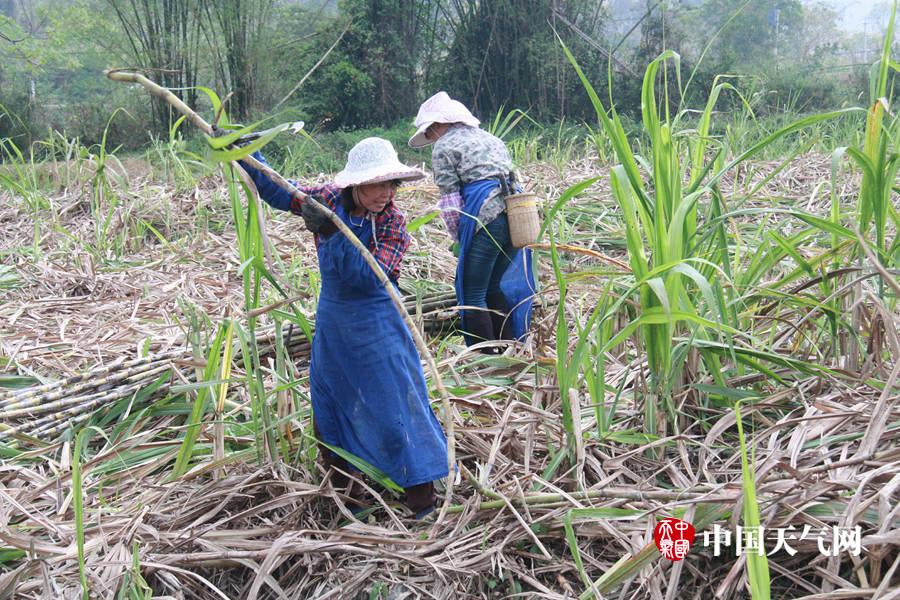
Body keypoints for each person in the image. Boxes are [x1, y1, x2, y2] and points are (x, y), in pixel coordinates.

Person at [236, 137, 448, 519]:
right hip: (335, 321)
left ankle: (421, 498)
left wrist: (332, 232)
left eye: (391, 184)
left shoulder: (393, 224)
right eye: (378, 184)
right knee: (331, 402)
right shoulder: (329, 199)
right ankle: (349, 493)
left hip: (379, 321)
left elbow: (367, 277)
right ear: (354, 184)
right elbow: (277, 189)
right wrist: (247, 153)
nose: (386, 193)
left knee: (395, 400)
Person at [409, 91, 536, 352]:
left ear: (438, 125)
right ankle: (511, 350)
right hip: (515, 216)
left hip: (486, 217)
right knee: (492, 287)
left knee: (473, 292)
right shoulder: (491, 139)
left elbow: (451, 202)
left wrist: (459, 238)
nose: (431, 136)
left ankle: (486, 361)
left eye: (430, 130)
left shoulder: (444, 147)